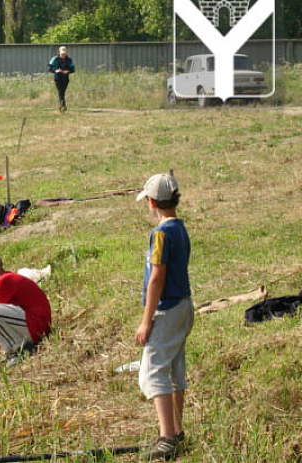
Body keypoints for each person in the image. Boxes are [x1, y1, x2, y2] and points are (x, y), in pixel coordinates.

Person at [135, 173, 194, 461]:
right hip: (184, 305)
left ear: (152, 202)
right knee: (174, 369)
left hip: (167, 309)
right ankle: (178, 430)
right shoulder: (180, 228)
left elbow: (156, 277)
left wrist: (147, 320)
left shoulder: (160, 234)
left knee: (154, 371)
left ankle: (167, 438)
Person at [48, 46, 75, 112]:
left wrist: (68, 71)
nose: (63, 55)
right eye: (62, 53)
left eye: (64, 53)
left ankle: (61, 106)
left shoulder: (69, 60)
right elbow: (50, 69)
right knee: (61, 91)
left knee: (62, 92)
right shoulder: (54, 59)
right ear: (59, 52)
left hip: (65, 78)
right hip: (57, 77)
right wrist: (56, 71)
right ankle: (63, 106)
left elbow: (73, 69)